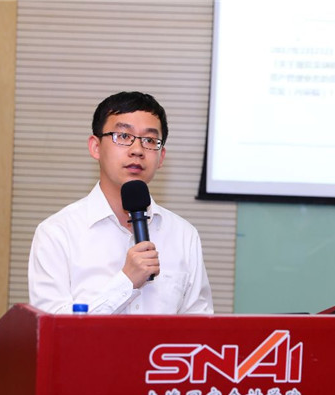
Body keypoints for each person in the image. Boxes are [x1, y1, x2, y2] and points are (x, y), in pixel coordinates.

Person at [28, 91, 213, 315]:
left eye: (149, 140)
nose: (137, 150)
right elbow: (53, 329)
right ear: (95, 147)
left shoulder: (184, 235)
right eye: (123, 136)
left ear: (161, 157)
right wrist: (127, 282)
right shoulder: (57, 233)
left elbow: (199, 326)